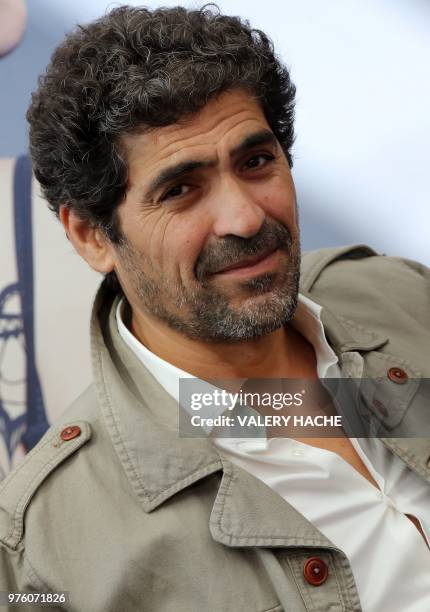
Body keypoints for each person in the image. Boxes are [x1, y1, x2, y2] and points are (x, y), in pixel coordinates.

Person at [0, 5, 429, 611]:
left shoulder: (399, 294)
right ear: (92, 236)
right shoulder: (46, 548)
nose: (245, 217)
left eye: (256, 162)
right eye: (180, 189)